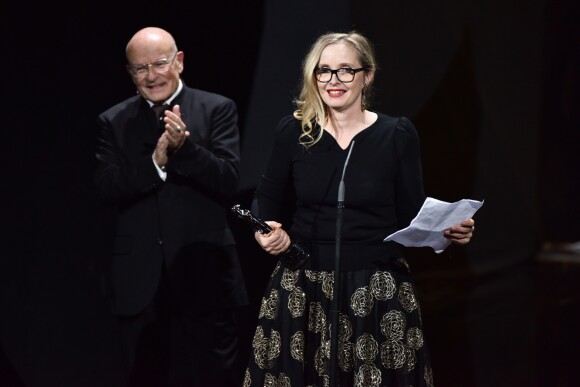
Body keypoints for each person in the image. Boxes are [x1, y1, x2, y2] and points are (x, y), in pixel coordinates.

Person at [243, 31, 475, 387]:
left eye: (345, 71)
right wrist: (266, 229)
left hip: (376, 287)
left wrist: (448, 230)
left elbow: (413, 214)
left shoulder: (396, 134)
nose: (333, 81)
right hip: (304, 284)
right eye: (324, 71)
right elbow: (267, 198)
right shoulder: (294, 132)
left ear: (367, 75)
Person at [94, 26, 248, 387]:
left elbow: (229, 179)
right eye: (140, 69)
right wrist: (156, 162)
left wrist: (186, 150)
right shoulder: (113, 121)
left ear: (178, 62)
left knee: (215, 376)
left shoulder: (216, 108)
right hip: (139, 279)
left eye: (159, 64)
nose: (151, 76)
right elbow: (105, 187)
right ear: (130, 73)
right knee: (144, 376)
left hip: (205, 272)